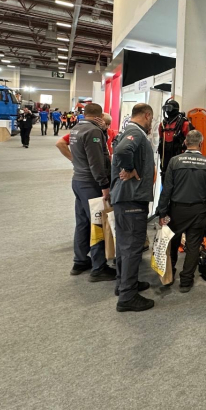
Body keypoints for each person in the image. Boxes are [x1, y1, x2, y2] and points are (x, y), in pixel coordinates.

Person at [156, 130, 206, 293]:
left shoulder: (174, 161)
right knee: (193, 245)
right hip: (199, 210)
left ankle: (170, 274)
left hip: (176, 210)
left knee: (173, 243)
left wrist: (162, 212)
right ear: (201, 144)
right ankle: (186, 281)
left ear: (185, 143)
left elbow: (166, 189)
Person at [110, 103, 157, 312]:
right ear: (147, 115)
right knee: (131, 247)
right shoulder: (135, 131)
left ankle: (124, 284)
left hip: (125, 198)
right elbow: (122, 151)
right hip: (132, 199)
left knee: (124, 245)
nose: (151, 123)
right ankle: (127, 296)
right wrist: (130, 169)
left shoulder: (127, 130)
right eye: (151, 119)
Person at [69, 103, 116, 282]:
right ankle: (99, 267)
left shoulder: (76, 128)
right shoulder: (93, 131)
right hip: (91, 184)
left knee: (82, 222)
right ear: (100, 116)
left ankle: (80, 260)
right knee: (97, 223)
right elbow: (96, 162)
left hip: (78, 180)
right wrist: (104, 185)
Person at [157, 99, 192, 174]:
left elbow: (191, 144)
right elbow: (161, 138)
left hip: (179, 158)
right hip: (165, 159)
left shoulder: (184, 124)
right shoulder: (162, 125)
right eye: (165, 108)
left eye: (169, 108)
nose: (167, 111)